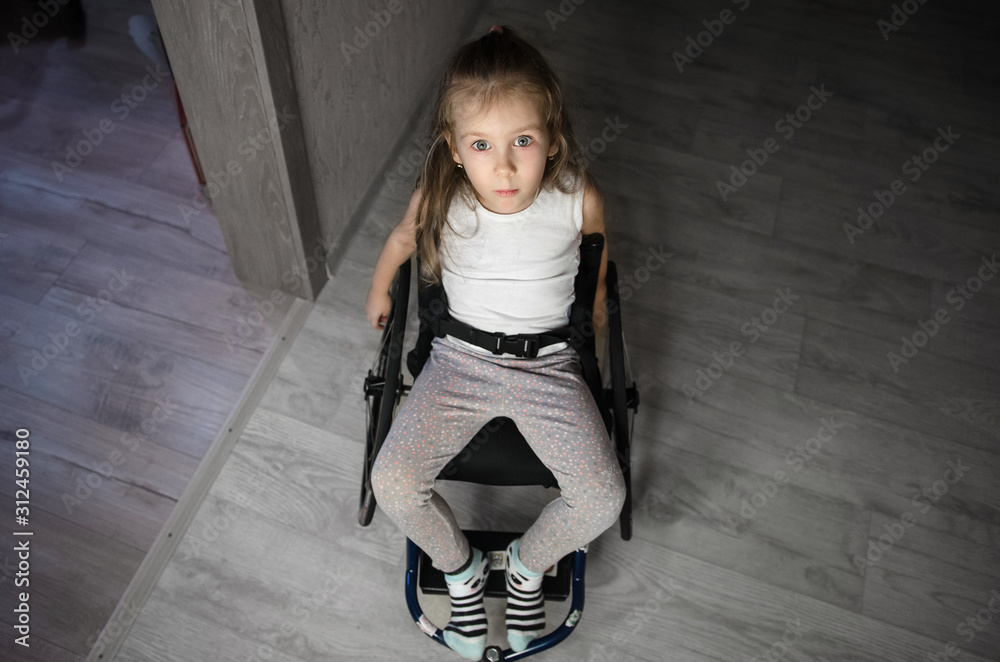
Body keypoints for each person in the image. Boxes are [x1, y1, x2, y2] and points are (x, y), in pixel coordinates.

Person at [365, 24, 625, 660]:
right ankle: (461, 571)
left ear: (552, 139)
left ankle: (527, 567)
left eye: (522, 141)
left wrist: (593, 313)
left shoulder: (577, 197)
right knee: (392, 481)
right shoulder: (444, 196)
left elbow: (596, 261)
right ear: (455, 149)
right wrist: (379, 290)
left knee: (604, 498)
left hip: (548, 367)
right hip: (461, 361)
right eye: (481, 144)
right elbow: (402, 239)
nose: (503, 166)